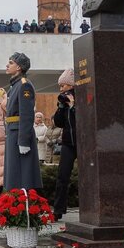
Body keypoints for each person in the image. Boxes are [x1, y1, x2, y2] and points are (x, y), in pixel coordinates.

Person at [3, 52, 42, 192]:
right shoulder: (15, 86)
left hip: (19, 133)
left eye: (11, 62)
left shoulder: (24, 85)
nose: (7, 65)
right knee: (13, 174)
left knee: (22, 175)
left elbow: (26, 115)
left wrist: (24, 141)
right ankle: (11, 205)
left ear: (19, 67)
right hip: (13, 132)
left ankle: (22, 206)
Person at [51, 69, 77, 220]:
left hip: (83, 142)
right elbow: (59, 123)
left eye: (63, 86)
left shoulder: (80, 98)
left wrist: (73, 106)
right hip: (68, 143)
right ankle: (58, 210)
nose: (61, 89)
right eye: (60, 86)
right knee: (62, 176)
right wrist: (61, 108)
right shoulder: (63, 101)